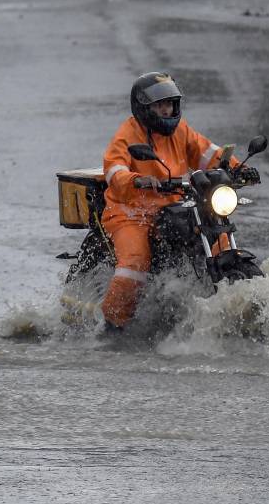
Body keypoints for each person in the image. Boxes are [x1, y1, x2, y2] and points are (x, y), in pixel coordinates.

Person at [98, 72, 257, 331]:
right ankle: (112, 324)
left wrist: (238, 168)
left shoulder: (180, 131)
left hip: (174, 204)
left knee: (220, 242)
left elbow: (210, 153)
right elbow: (114, 169)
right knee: (136, 263)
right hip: (131, 212)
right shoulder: (127, 134)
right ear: (144, 107)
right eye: (161, 105)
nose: (167, 109)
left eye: (170, 103)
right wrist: (135, 180)